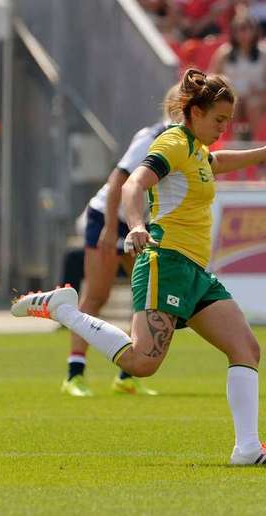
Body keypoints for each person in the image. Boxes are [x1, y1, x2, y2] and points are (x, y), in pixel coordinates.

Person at [12, 68, 266, 466]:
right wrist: (136, 225)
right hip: (167, 263)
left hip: (196, 272)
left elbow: (215, 163)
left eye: (227, 122)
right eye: (218, 119)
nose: (222, 128)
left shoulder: (196, 149)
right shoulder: (174, 142)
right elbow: (133, 184)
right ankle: (63, 310)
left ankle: (247, 448)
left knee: (246, 348)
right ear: (194, 112)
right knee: (142, 363)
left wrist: (263, 153)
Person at [61, 84, 181, 398]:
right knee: (96, 296)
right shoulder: (152, 137)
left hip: (137, 222)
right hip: (108, 217)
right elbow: (118, 180)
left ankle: (127, 375)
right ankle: (74, 374)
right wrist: (111, 229)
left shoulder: (184, 144)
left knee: (143, 297)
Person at [209, 10, 266, 137]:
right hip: (230, 96)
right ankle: (228, 146)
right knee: (230, 106)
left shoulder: (265, 53)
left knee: (253, 105)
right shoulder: (224, 53)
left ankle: (260, 148)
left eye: (247, 29)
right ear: (233, 32)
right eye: (239, 29)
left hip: (256, 97)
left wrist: (260, 90)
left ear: (255, 31)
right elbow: (212, 78)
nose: (244, 33)